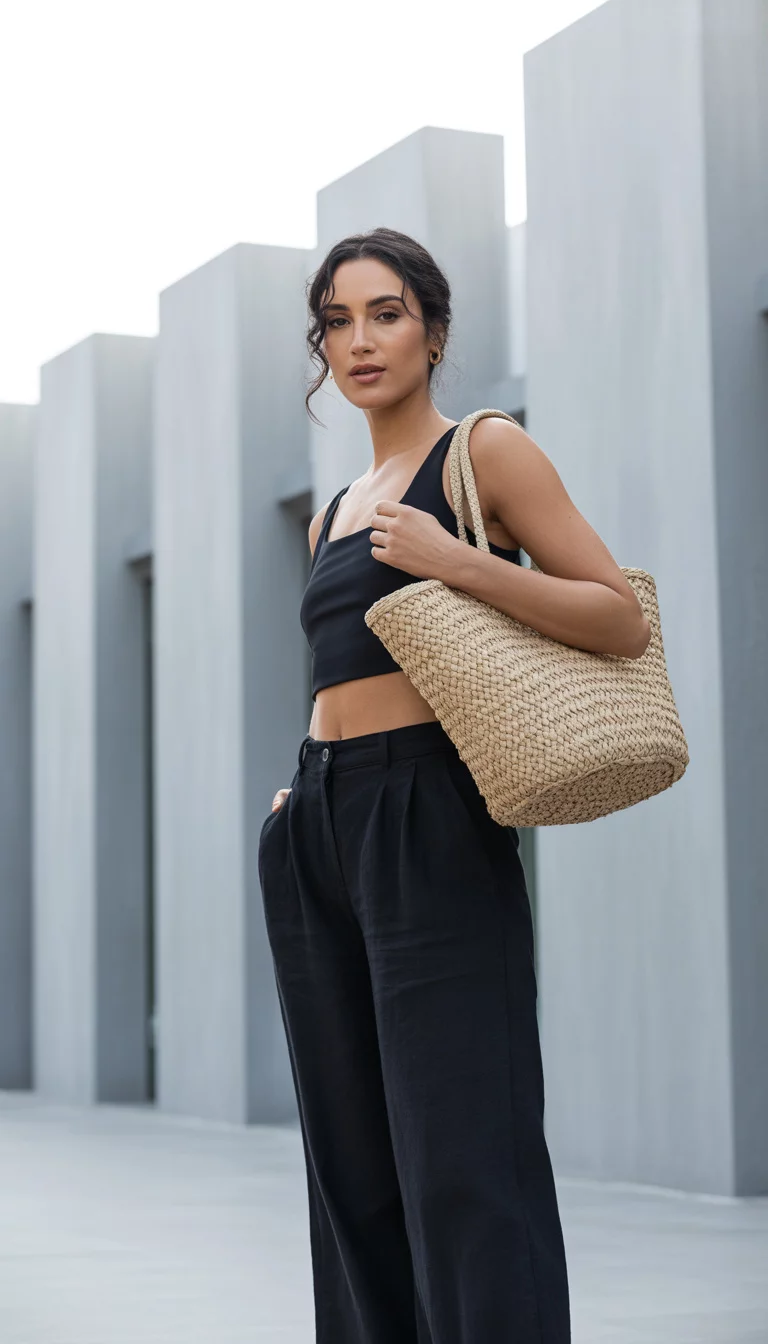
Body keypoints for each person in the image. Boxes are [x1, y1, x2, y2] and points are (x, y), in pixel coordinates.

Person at [257, 227, 650, 1344]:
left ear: (432, 327)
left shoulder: (483, 456)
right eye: (336, 320)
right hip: (318, 822)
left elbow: (617, 617)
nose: (360, 340)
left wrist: (458, 559)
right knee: (353, 1162)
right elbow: (347, 661)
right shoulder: (337, 508)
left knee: (464, 1149)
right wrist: (300, 791)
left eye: (385, 313)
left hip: (426, 812)